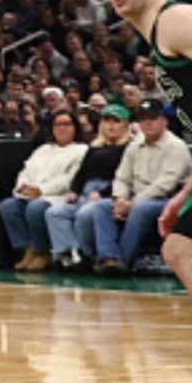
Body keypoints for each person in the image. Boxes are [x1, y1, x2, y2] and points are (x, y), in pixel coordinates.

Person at [103, 0, 192, 301]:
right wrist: (185, 194)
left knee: (183, 250)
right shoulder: (160, 41)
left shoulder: (175, 20)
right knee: (181, 249)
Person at [91, 98, 192, 274]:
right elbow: (121, 177)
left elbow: (165, 185)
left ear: (164, 121)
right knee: (101, 207)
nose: (148, 123)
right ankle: (109, 258)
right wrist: (120, 199)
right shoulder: (134, 145)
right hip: (134, 198)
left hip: (167, 200)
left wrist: (132, 204)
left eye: (153, 118)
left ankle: (123, 260)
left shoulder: (176, 147)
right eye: (143, 119)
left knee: (141, 209)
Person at [47, 104, 136, 270]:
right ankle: (67, 252)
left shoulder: (131, 148)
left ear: (125, 125)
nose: (110, 126)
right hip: (86, 192)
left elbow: (126, 178)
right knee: (55, 212)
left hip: (109, 192)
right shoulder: (94, 147)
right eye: (107, 121)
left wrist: (103, 193)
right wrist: (74, 191)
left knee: (86, 214)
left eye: (116, 122)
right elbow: (81, 173)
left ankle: (86, 253)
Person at [0, 109, 86, 271]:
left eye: (67, 124)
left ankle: (42, 251)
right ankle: (28, 249)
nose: (62, 128)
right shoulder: (43, 149)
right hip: (31, 194)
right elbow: (26, 170)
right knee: (8, 206)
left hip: (57, 196)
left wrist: (41, 190)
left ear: (75, 127)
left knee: (36, 208)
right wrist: (23, 187)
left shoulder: (82, 150)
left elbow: (70, 179)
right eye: (57, 125)